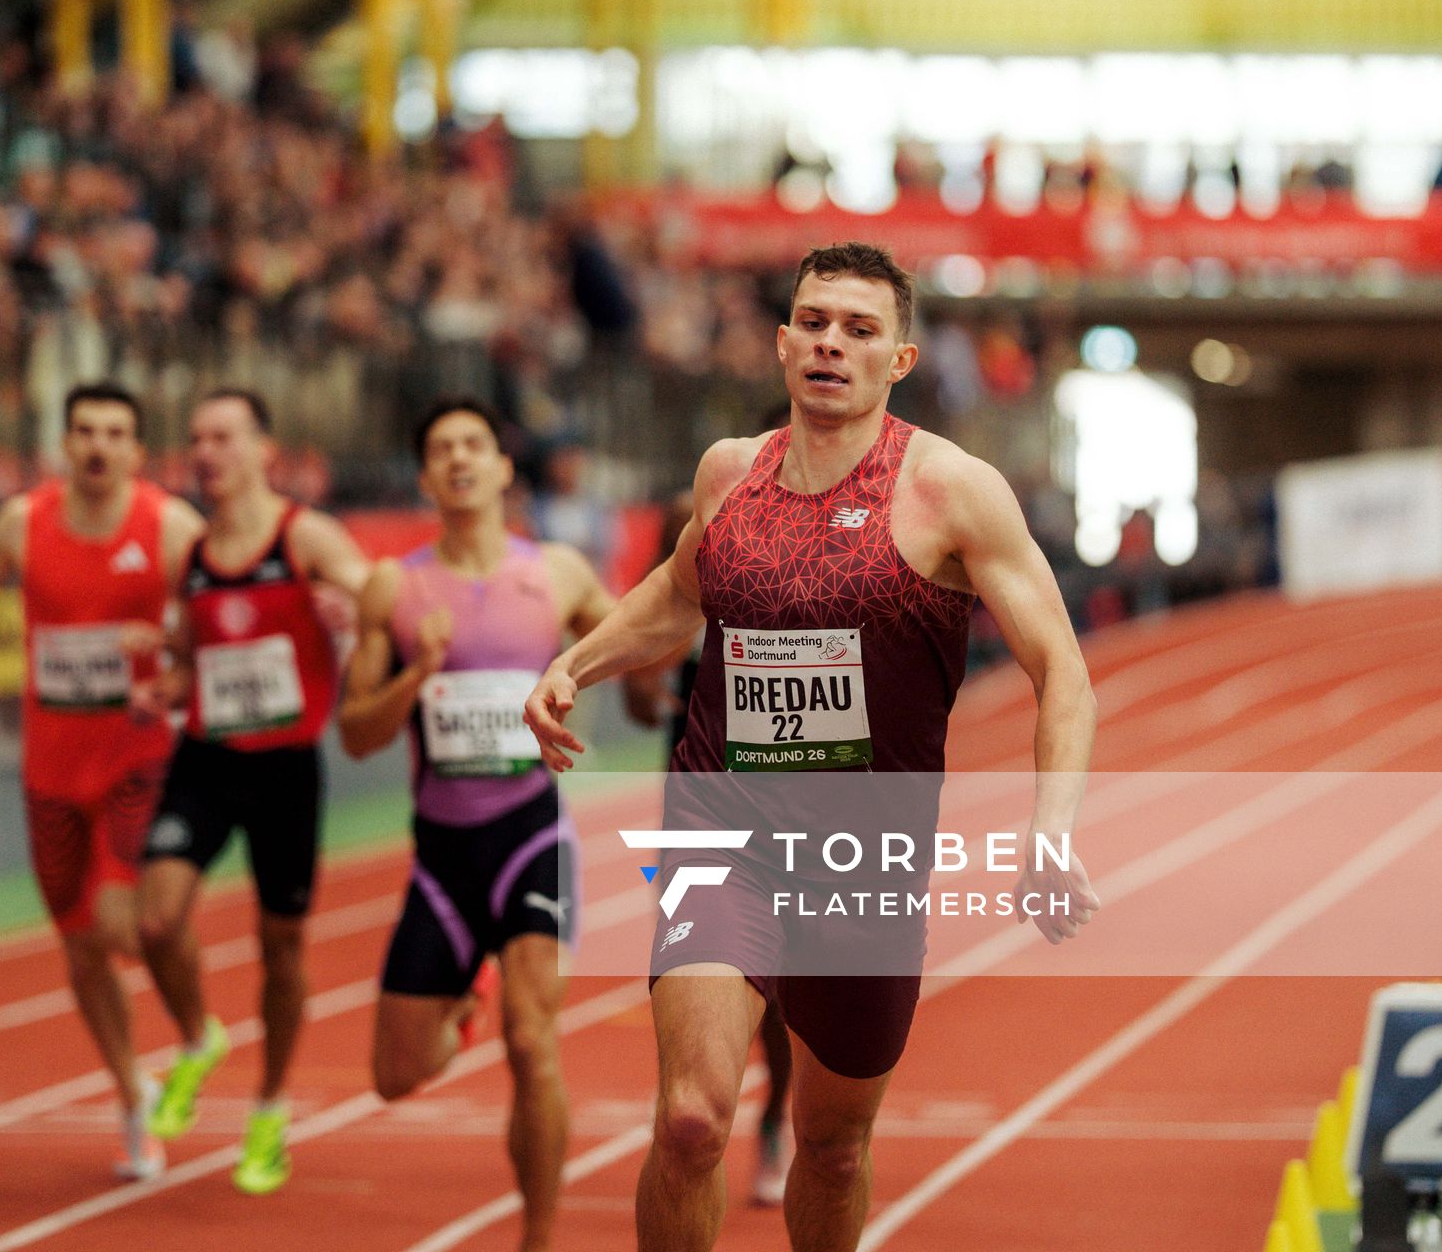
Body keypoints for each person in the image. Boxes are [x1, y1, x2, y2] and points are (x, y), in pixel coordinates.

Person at [524, 241, 1100, 1252]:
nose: (833, 343)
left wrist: (1049, 838)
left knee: (832, 1141)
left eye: (860, 329)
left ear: (900, 359)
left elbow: (1063, 670)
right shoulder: (729, 472)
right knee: (693, 1116)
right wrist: (581, 659)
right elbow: (678, 590)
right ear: (785, 341)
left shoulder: (950, 491)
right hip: (722, 828)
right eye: (817, 322)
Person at [339, 398, 614, 1252]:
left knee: (534, 1046)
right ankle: (463, 1004)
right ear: (426, 478)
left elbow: (630, 637)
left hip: (533, 836)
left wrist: (614, 687)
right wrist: (415, 671)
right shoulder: (395, 587)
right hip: (442, 857)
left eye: (474, 445)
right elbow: (355, 734)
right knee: (394, 1076)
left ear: (502, 468)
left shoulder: (558, 573)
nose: (458, 459)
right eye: (440, 449)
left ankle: (537, 1238)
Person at [0, 381, 203, 1182]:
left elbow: (219, 615)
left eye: (116, 432)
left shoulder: (171, 526)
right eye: (85, 431)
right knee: (80, 949)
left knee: (121, 925)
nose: (99, 446)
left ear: (139, 452)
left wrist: (174, 652)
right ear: (64, 443)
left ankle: (190, 1013)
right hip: (50, 770)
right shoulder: (23, 522)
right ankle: (132, 1097)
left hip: (137, 757)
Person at [130, 388, 371, 1196]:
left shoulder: (303, 536)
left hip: (285, 770)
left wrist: (352, 610)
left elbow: (382, 598)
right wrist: (164, 682)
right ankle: (199, 1038)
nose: (206, 452)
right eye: (196, 438)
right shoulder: (189, 554)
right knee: (155, 917)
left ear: (264, 449)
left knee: (281, 948)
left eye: (223, 437)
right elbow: (186, 652)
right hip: (205, 755)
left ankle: (269, 1105)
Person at [620, 402, 795, 1210]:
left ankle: (777, 1114)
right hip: (700, 775)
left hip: (808, 787)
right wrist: (647, 691)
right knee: (701, 955)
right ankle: (699, 1100)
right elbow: (649, 642)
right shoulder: (700, 520)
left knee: (793, 985)